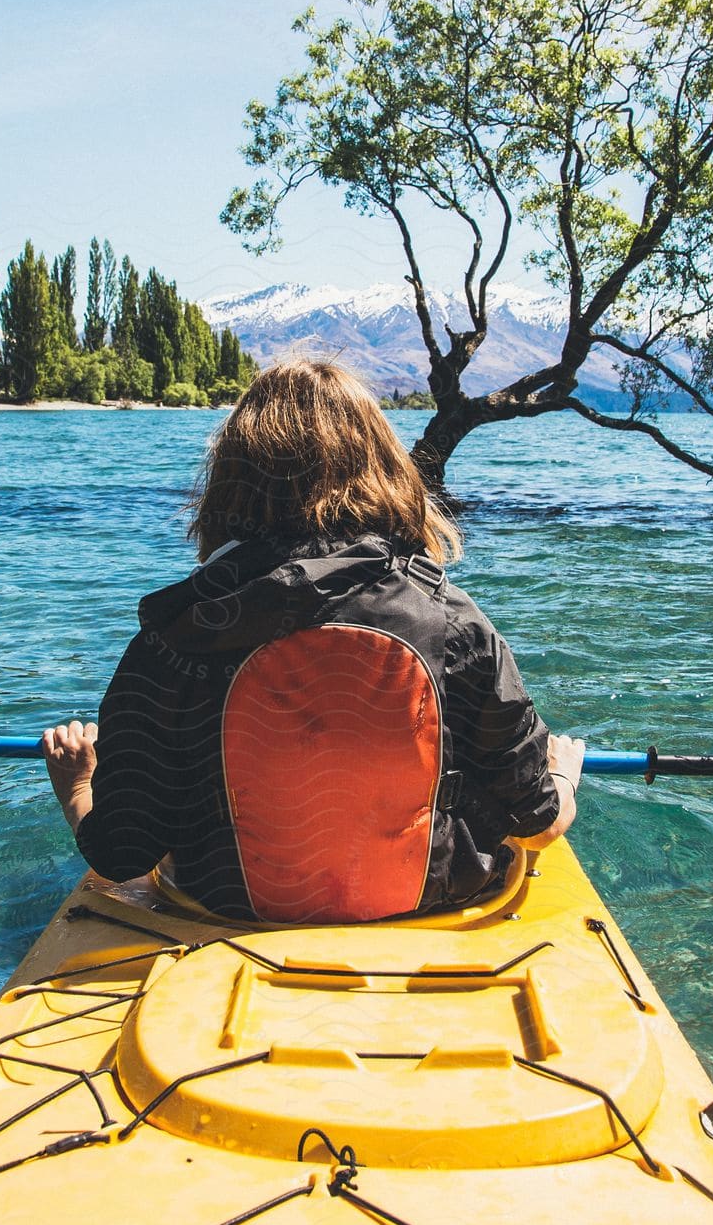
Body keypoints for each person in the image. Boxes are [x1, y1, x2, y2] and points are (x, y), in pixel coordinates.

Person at [43, 358, 583, 922]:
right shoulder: (454, 619)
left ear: (227, 482)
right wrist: (563, 773)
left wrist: (77, 784)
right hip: (433, 902)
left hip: (222, 908)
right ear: (385, 469)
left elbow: (120, 855)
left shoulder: (176, 630)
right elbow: (539, 824)